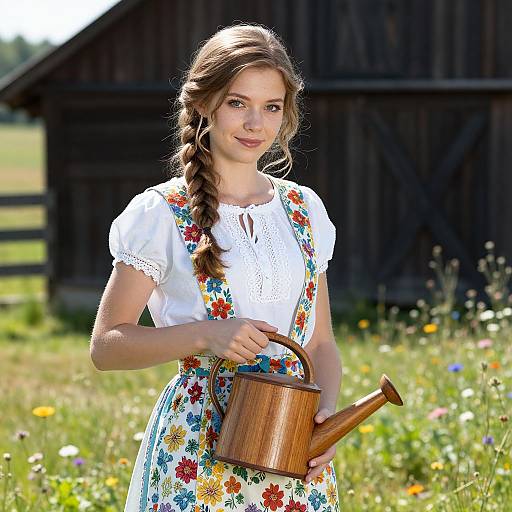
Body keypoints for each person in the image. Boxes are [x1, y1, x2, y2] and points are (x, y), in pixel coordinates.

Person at [90, 22, 342, 512]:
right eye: (237, 103)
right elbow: (105, 346)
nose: (255, 124)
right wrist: (207, 335)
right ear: (204, 103)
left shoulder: (304, 210)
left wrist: (324, 419)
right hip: (198, 451)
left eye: (271, 107)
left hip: (289, 450)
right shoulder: (160, 213)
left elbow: (321, 344)